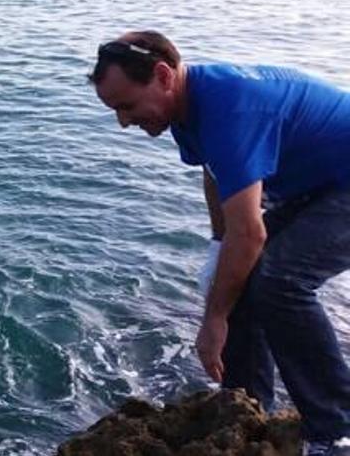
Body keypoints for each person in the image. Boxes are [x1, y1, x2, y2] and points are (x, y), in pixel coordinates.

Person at [89, 30, 350, 456]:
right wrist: (217, 244)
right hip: (321, 186)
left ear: (162, 75)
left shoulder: (230, 108)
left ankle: (337, 432)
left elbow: (250, 234)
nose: (123, 121)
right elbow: (214, 173)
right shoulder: (187, 108)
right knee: (241, 274)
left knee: (281, 280)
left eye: (127, 106)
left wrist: (214, 320)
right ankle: (245, 406)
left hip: (341, 184)